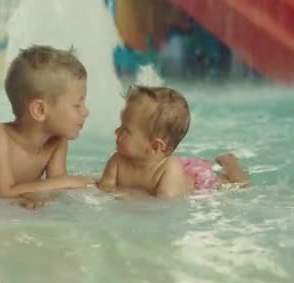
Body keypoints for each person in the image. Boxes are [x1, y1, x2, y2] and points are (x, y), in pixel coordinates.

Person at [0, 45, 95, 208]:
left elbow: (56, 185)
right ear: (40, 110)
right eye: (77, 105)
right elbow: (2, 192)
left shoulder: (57, 140)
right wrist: (72, 181)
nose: (86, 112)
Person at [97, 85, 249, 199]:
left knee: (239, 185)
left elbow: (164, 203)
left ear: (155, 145)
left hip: (198, 180)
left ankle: (230, 163)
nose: (116, 132)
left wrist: (126, 197)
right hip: (183, 169)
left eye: (125, 130)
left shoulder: (169, 168)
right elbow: (104, 189)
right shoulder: (117, 161)